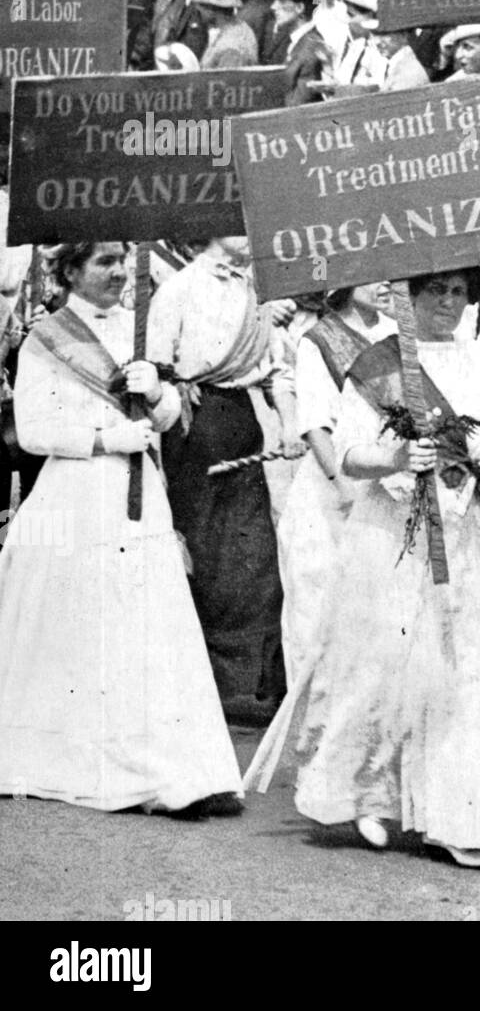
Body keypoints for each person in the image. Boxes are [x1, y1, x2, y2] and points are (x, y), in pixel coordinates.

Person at [248, 269, 480, 869]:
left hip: (469, 538)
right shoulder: (377, 363)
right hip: (393, 535)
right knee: (383, 669)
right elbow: (346, 454)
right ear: (409, 297)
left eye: (459, 292)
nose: (447, 302)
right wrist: (395, 454)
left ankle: (462, 814)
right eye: (434, 290)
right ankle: (367, 791)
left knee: (477, 670)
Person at [0, 243, 243, 816]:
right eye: (104, 262)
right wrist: (106, 440)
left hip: (140, 495)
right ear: (70, 272)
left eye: (121, 261)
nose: (117, 273)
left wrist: (157, 393)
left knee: (147, 624)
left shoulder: (141, 330)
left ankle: (171, 769)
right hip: (78, 493)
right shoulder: (46, 337)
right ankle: (97, 763)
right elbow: (32, 431)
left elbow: (169, 416)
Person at [147, 235, 300, 724]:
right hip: (194, 426)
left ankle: (248, 686)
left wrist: (291, 423)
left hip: (242, 422)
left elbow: (276, 371)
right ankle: (203, 683)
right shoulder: (178, 289)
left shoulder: (259, 289)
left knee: (254, 552)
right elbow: (155, 369)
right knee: (206, 553)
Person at [277, 281, 396, 680]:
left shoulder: (393, 332)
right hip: (332, 494)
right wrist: (345, 491)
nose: (384, 283)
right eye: (372, 274)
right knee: (320, 610)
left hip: (384, 479)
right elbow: (315, 427)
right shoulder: (319, 340)